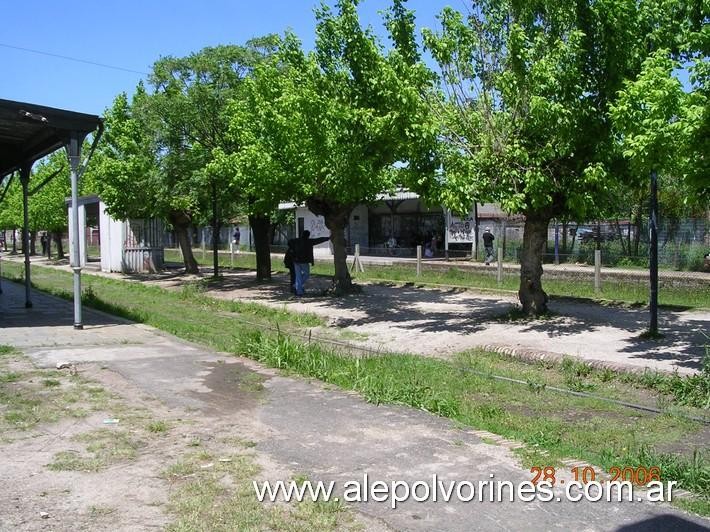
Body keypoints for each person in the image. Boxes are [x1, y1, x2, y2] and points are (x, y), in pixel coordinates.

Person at [289, 230, 329, 296]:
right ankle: (297, 289)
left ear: (302, 234)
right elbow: (318, 240)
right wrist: (328, 238)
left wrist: (292, 249)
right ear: (308, 235)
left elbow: (289, 242)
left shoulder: (296, 240)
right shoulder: (309, 241)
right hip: (304, 261)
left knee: (298, 276)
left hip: (296, 261)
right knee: (306, 275)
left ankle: (298, 289)